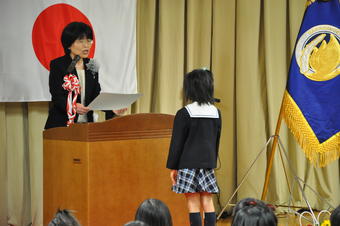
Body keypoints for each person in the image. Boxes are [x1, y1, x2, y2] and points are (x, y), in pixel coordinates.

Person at [166, 69, 221, 226]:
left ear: (190, 88)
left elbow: (177, 144)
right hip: (207, 164)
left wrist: (173, 167)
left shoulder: (184, 112)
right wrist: (211, 162)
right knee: (208, 200)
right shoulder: (216, 112)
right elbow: (216, 141)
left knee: (192, 200)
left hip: (187, 164)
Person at [44, 21, 125, 129]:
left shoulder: (92, 65)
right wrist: (73, 106)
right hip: (62, 125)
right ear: (69, 44)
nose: (86, 45)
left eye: (89, 41)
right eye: (81, 41)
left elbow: (95, 96)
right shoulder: (58, 65)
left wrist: (112, 108)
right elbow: (57, 96)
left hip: (86, 126)